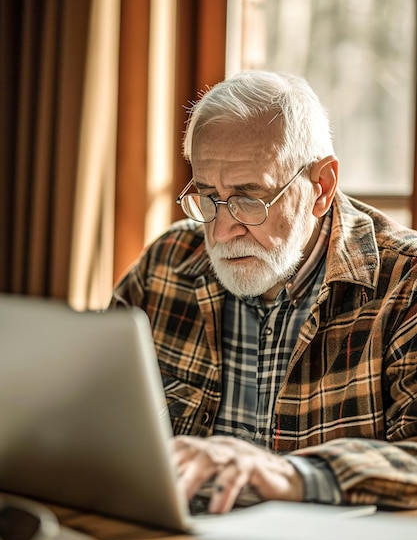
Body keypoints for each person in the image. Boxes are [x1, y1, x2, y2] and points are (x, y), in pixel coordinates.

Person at [110, 70, 417, 513]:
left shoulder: (405, 283)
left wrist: (286, 474)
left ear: (321, 187)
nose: (222, 228)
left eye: (249, 197)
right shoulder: (167, 264)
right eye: (208, 196)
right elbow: (86, 416)